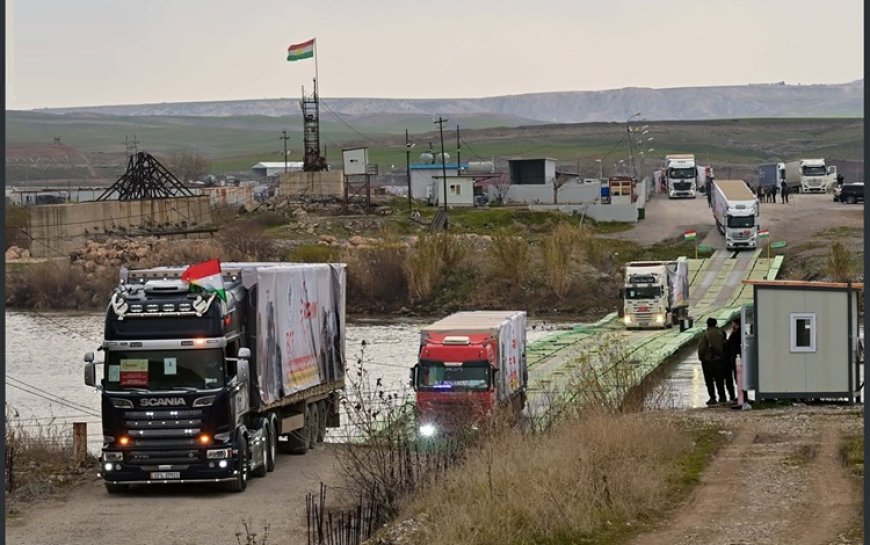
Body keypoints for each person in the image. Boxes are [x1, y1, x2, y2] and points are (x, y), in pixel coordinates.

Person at [698, 317, 727, 406]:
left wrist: (701, 357)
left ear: (707, 324)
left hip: (708, 360)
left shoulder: (706, 334)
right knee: (720, 380)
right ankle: (722, 397)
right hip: (719, 359)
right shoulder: (721, 333)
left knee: (709, 380)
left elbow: (701, 347)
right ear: (715, 324)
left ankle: (712, 398)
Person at [723, 318, 741, 404]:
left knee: (738, 377)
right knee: (740, 378)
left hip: (735, 358)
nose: (732, 325)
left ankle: (740, 396)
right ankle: (741, 395)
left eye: (733, 324)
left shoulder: (735, 334)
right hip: (739, 357)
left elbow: (728, 344)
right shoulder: (742, 332)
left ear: (736, 324)